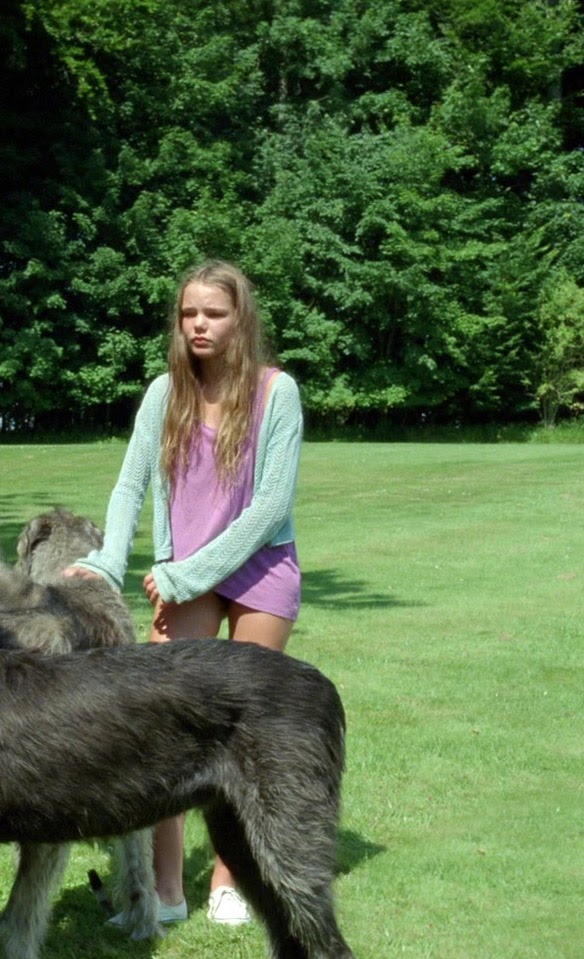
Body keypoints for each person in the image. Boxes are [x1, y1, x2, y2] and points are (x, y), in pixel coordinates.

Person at [64, 259, 303, 927]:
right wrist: (108, 563)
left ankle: (229, 882)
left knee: (243, 737)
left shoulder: (276, 392)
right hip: (186, 573)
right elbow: (129, 486)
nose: (200, 324)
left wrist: (184, 576)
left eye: (214, 313)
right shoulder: (164, 392)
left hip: (261, 571)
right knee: (163, 736)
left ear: (240, 319)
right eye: (189, 313)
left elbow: (269, 509)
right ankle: (166, 892)